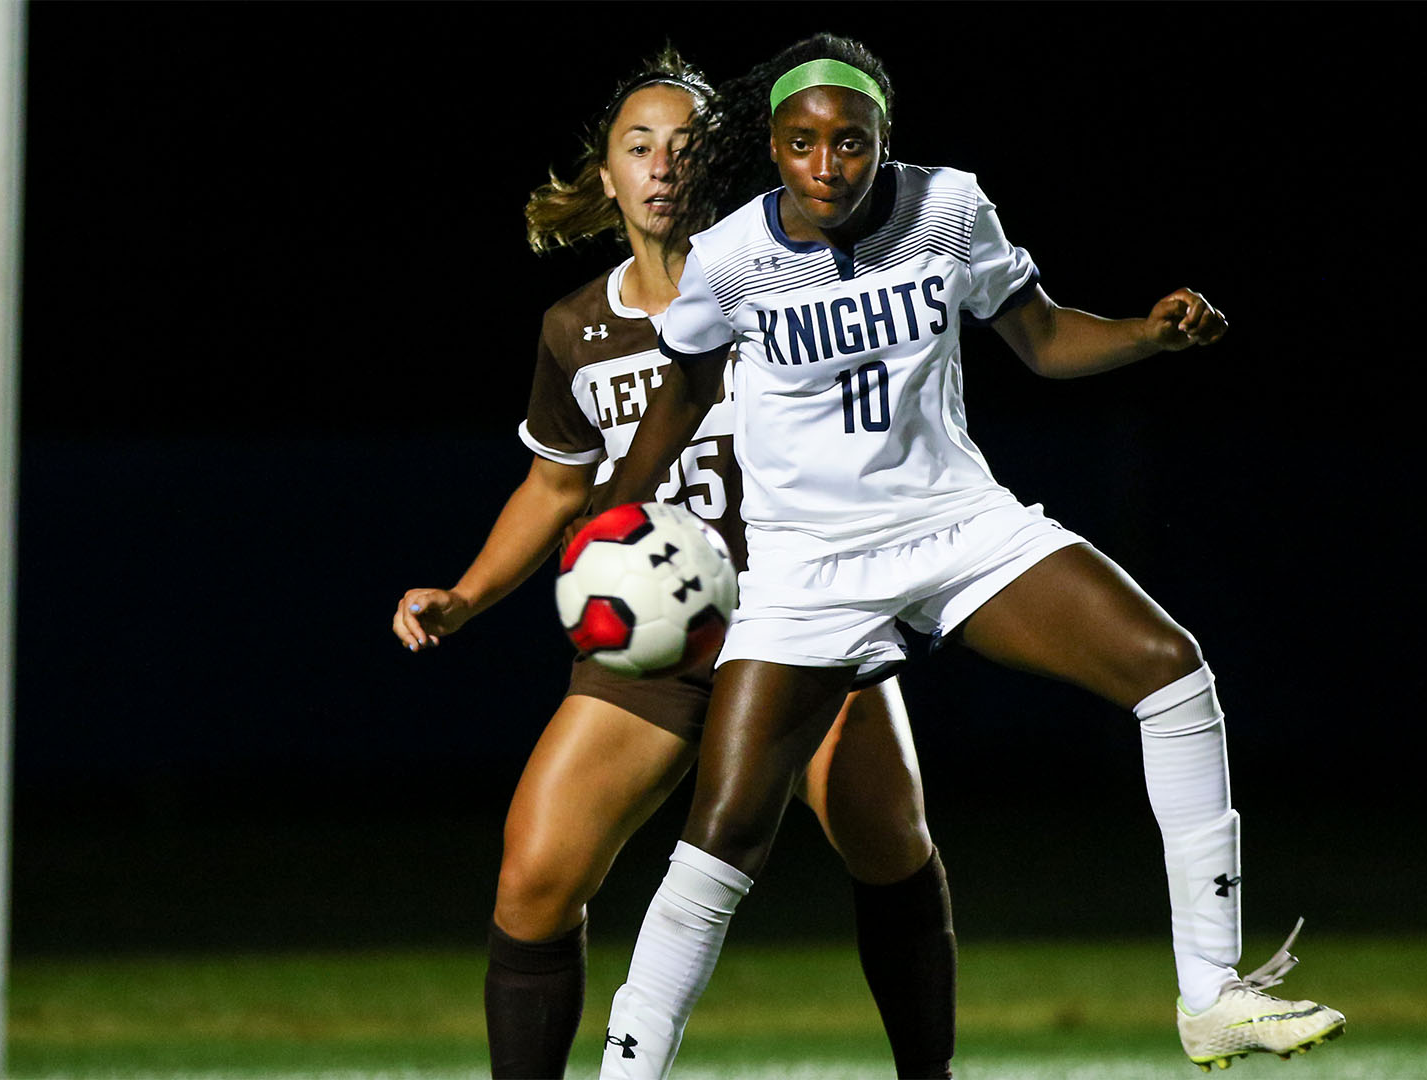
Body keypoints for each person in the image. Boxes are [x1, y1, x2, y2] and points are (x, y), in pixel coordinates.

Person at [590, 34, 1347, 1078]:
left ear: (882, 141)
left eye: (849, 143)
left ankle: (1210, 993)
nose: (826, 166)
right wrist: (611, 523)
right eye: (802, 143)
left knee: (1170, 671)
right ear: (772, 145)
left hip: (955, 525)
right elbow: (677, 397)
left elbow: (1037, 337)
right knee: (724, 833)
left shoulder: (947, 208)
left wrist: (1145, 333)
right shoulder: (727, 258)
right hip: (807, 564)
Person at [391, 49, 956, 1080]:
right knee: (532, 880)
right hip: (655, 640)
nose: (662, 167)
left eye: (686, 149)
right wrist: (466, 595)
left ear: (720, 170)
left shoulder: (787, 285)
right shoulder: (574, 327)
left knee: (893, 846)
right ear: (605, 176)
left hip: (803, 619)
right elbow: (557, 489)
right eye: (638, 147)